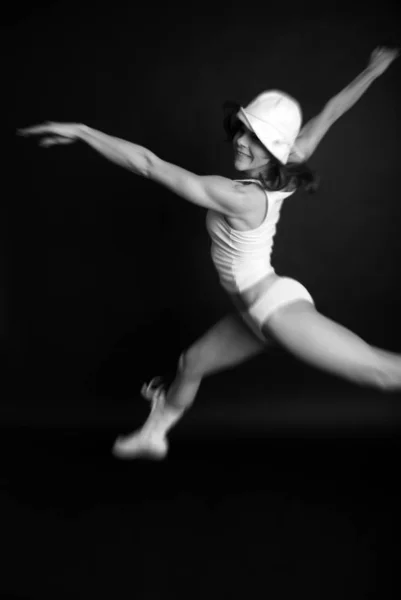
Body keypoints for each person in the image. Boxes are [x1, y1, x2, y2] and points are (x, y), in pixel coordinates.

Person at [18, 46, 399, 460]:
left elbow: (148, 164)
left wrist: (84, 132)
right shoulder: (289, 161)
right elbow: (329, 112)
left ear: (274, 146)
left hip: (275, 309)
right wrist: (372, 72)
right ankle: (153, 436)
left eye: (255, 138)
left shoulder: (237, 195)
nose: (240, 142)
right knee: (191, 364)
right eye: (241, 130)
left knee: (382, 372)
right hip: (252, 314)